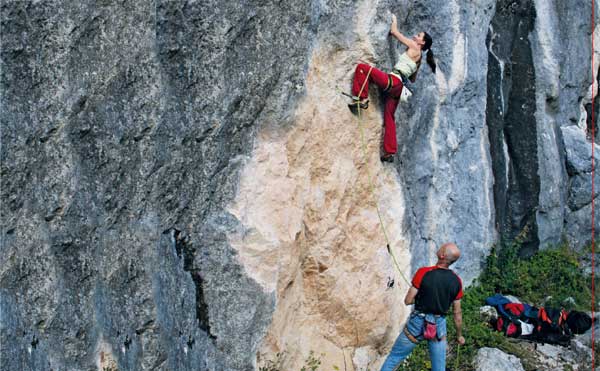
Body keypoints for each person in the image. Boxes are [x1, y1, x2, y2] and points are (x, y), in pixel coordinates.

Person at [349, 14, 436, 162]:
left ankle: (361, 99)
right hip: (398, 88)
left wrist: (394, 19)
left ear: (422, 42)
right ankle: (389, 151)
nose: (416, 36)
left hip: (393, 81)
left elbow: (395, 32)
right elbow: (412, 79)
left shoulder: (414, 46)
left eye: (419, 35)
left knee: (363, 68)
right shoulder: (419, 57)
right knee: (389, 117)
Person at [379, 243, 465, 371]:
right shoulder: (456, 281)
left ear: (442, 255)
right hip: (438, 326)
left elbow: (408, 301)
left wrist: (421, 298)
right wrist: (459, 336)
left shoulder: (424, 272)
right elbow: (457, 314)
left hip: (417, 323)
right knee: (439, 368)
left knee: (395, 358)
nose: (440, 246)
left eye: (443, 247)